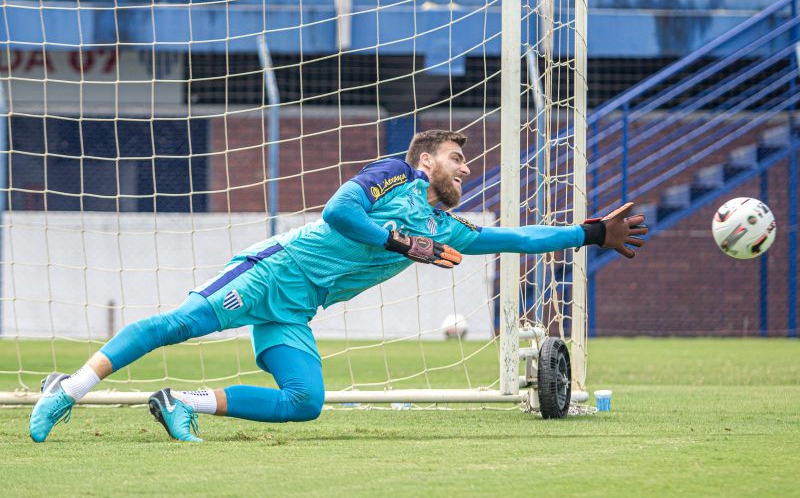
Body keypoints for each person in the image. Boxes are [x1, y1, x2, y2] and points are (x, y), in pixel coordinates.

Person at [29, 129, 647, 443]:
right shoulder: (394, 175)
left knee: (306, 402)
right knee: (174, 327)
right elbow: (338, 214)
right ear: (428, 160)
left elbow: (517, 238)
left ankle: (177, 404)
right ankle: (69, 389)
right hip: (273, 272)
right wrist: (404, 245)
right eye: (459, 158)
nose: (467, 167)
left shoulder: (444, 224)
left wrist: (590, 233)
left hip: (297, 309)